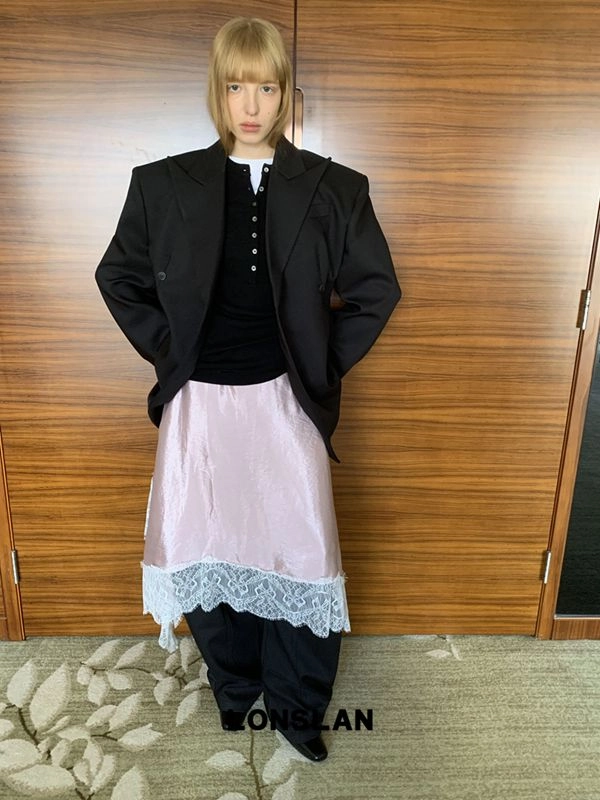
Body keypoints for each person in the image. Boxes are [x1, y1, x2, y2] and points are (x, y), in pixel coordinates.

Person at [95, 16, 400, 762]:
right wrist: (172, 352)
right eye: (237, 87)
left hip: (285, 402)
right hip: (198, 404)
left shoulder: (335, 188)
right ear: (218, 91)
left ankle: (296, 708)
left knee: (300, 552)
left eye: (266, 87)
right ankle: (235, 688)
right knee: (205, 546)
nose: (252, 105)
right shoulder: (162, 184)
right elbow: (118, 277)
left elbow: (376, 290)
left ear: (286, 92)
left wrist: (319, 365)